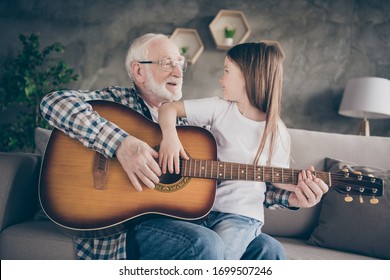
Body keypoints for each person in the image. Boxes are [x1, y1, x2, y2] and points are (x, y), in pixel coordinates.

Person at [40, 33, 327, 260]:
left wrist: (292, 199)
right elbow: (53, 103)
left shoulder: (196, 127)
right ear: (139, 72)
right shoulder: (116, 102)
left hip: (188, 221)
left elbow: (235, 189)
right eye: (167, 62)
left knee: (269, 250)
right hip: (127, 224)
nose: (178, 70)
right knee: (206, 244)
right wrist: (121, 145)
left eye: (181, 62)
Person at [157, 41, 329, 259]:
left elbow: (277, 178)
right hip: (200, 208)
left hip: (240, 216)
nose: (221, 79)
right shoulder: (219, 107)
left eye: (227, 71)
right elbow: (169, 108)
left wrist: (301, 185)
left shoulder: (276, 131)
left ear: (248, 76)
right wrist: (170, 138)